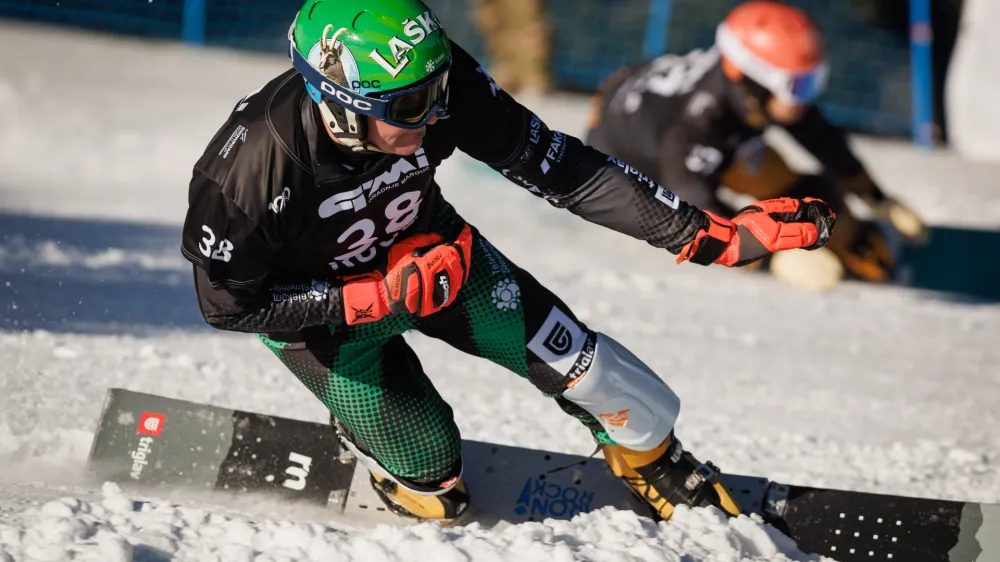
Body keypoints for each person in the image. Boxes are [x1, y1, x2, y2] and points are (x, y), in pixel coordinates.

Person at [181, 0, 835, 524]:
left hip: (437, 257)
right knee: (434, 480)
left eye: (439, 88)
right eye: (411, 105)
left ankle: (653, 462)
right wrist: (367, 299)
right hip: (329, 319)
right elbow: (226, 304)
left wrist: (703, 235)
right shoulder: (248, 173)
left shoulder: (433, 86)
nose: (438, 111)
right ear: (339, 102)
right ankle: (379, 446)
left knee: (606, 379)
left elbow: (563, 168)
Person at [584, 0, 927, 291]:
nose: (805, 98)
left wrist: (876, 196)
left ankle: (850, 241)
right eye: (798, 85)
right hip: (627, 153)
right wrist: (772, 258)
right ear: (751, 80)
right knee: (709, 204)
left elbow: (819, 136)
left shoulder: (747, 93)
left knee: (794, 190)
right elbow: (696, 212)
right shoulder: (696, 125)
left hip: (650, 99)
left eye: (813, 81)